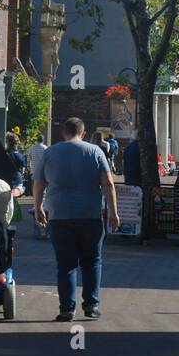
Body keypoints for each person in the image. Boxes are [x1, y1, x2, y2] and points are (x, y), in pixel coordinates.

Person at [33, 117, 120, 322]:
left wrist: (38, 208)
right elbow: (108, 183)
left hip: (59, 214)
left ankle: (67, 309)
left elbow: (38, 182)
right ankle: (91, 305)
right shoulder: (95, 151)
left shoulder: (50, 152)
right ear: (83, 132)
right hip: (89, 214)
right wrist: (114, 213)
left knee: (65, 264)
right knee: (92, 261)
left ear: (64, 132)